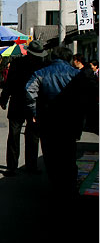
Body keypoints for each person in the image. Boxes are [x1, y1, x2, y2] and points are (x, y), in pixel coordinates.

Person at [25, 47, 94, 200]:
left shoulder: (41, 73)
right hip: (70, 121)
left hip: (48, 121)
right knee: (68, 154)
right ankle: (69, 186)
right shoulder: (76, 74)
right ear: (69, 58)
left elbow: (29, 92)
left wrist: (34, 112)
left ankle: (55, 185)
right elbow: (86, 97)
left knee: (50, 155)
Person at [0, 40, 46, 177]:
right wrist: (4, 98)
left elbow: (9, 83)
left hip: (29, 104)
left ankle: (26, 165)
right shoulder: (19, 64)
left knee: (29, 135)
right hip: (22, 103)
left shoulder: (39, 65)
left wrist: (4, 98)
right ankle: (15, 166)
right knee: (18, 135)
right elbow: (10, 83)